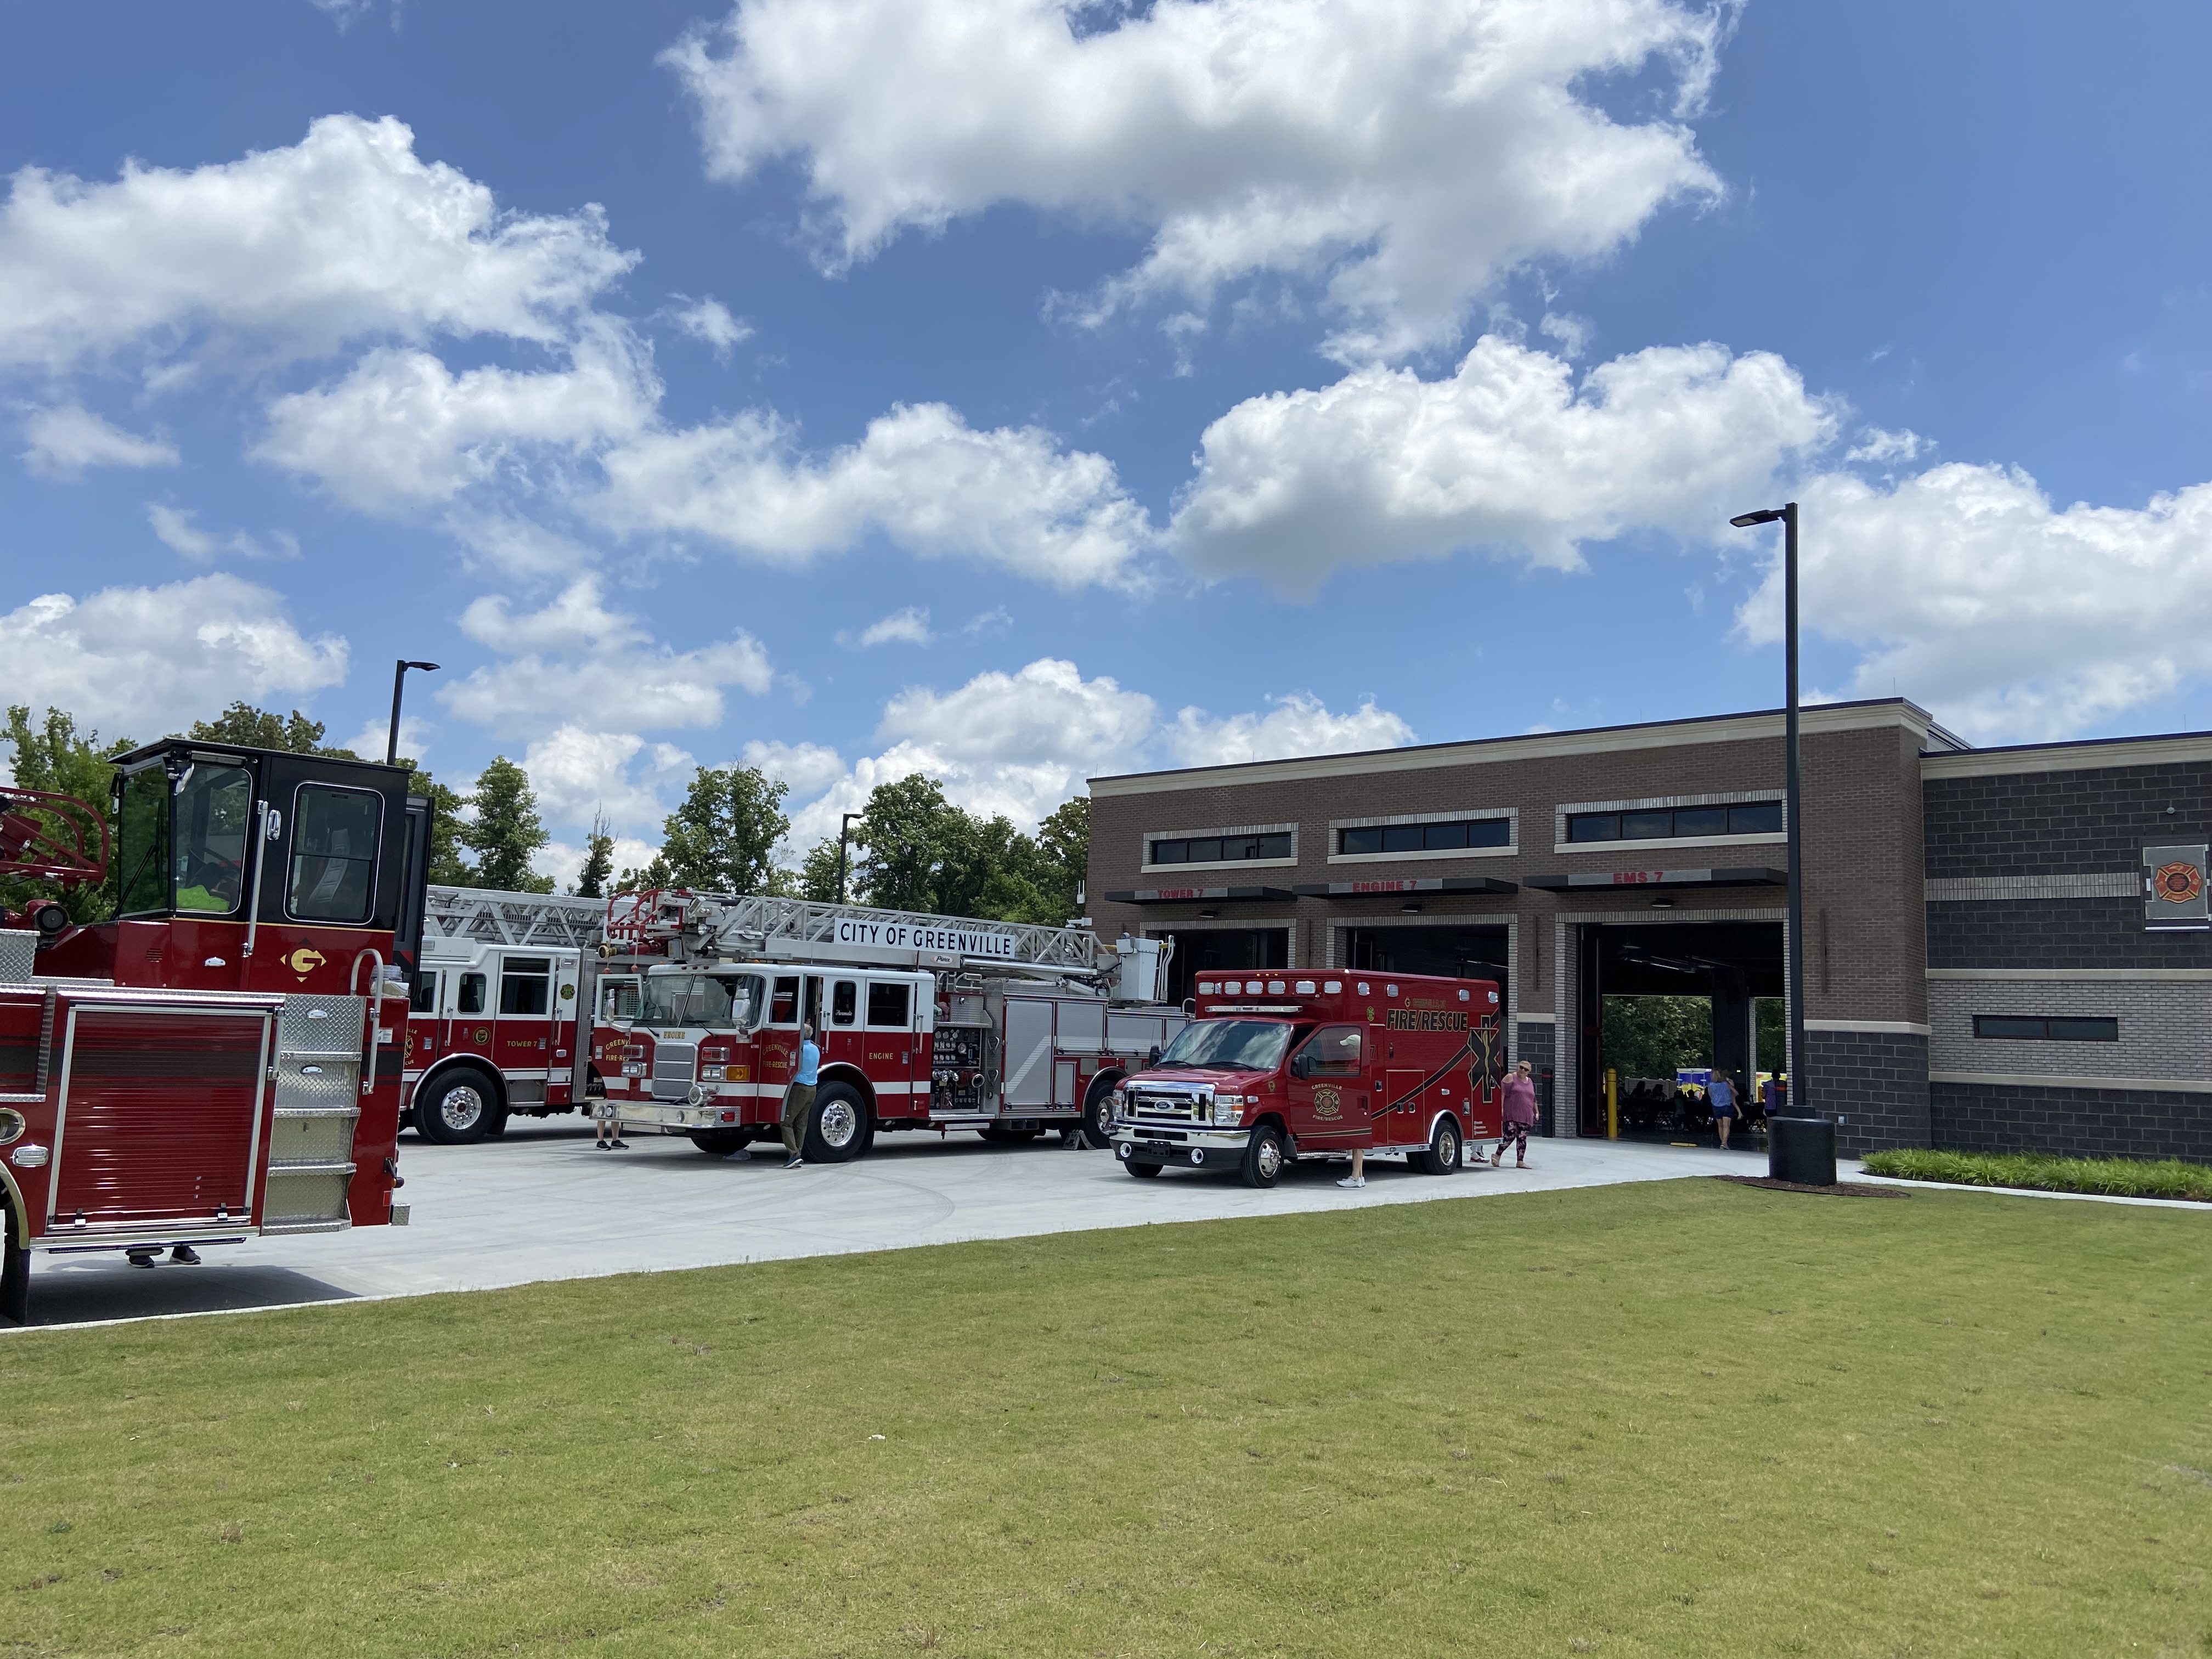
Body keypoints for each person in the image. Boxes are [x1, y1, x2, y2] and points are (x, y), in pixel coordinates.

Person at [781, 1023, 820, 1170]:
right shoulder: (815, 1049)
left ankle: (794, 1155)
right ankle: (799, 1153)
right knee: (801, 1123)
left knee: (786, 1122)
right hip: (812, 1089)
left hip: (799, 1088)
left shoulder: (800, 1050)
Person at [1493, 1059, 1538, 1168]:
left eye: (1526, 1069)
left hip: (1526, 1114)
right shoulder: (1510, 1077)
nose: (1523, 1070)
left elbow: (1533, 1098)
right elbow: (1502, 1093)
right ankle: (1497, 1155)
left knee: (1522, 1137)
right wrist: (1501, 1108)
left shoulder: (1530, 1081)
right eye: (1521, 1067)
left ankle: (1520, 1161)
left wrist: (1536, 1111)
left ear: (1529, 1072)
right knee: (1510, 1134)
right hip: (1512, 1112)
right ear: (1518, 1067)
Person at [1709, 1068, 1739, 1149]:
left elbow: (1711, 1095)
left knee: (1720, 1126)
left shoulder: (1711, 1085)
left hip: (1716, 1106)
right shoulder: (1726, 1084)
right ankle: (1724, 1143)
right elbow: (1736, 1093)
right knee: (1726, 1126)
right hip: (1726, 1106)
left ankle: (1722, 1142)